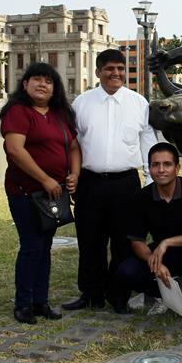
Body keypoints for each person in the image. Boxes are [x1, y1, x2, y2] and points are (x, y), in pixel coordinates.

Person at [62, 49, 157, 313]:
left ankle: (119, 295)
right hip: (89, 183)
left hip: (126, 184)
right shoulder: (82, 103)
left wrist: (150, 180)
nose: (115, 74)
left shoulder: (139, 103)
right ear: (98, 72)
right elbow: (74, 144)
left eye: (120, 69)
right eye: (109, 69)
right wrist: (74, 176)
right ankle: (91, 294)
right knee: (90, 240)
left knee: (123, 242)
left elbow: (147, 143)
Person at [0, 62, 81, 324]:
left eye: (48, 80)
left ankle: (41, 301)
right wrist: (44, 178)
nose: (42, 84)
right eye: (36, 79)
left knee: (45, 247)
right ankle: (23, 304)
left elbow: (74, 147)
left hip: (53, 194)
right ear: (25, 84)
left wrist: (74, 175)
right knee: (32, 245)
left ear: (54, 88)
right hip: (26, 192)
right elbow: (15, 150)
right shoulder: (18, 112)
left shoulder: (60, 115)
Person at [115, 142, 182, 330]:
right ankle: (162, 297)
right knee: (126, 270)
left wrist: (166, 242)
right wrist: (153, 261)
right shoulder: (142, 197)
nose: (161, 170)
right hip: (163, 255)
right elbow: (137, 241)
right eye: (155, 165)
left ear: (177, 168)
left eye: (167, 164)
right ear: (149, 168)